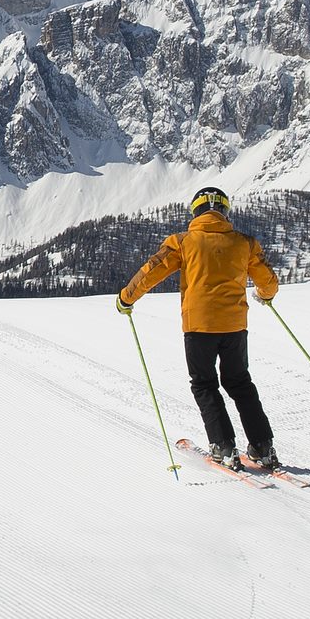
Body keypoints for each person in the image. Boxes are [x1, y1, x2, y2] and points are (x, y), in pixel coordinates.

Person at [118, 186, 283, 471]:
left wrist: (126, 298)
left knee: (205, 384)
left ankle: (223, 446)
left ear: (195, 212)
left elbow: (151, 271)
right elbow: (268, 279)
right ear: (225, 211)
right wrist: (266, 295)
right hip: (234, 326)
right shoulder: (244, 243)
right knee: (240, 383)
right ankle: (263, 447)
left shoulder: (183, 242)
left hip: (198, 327)